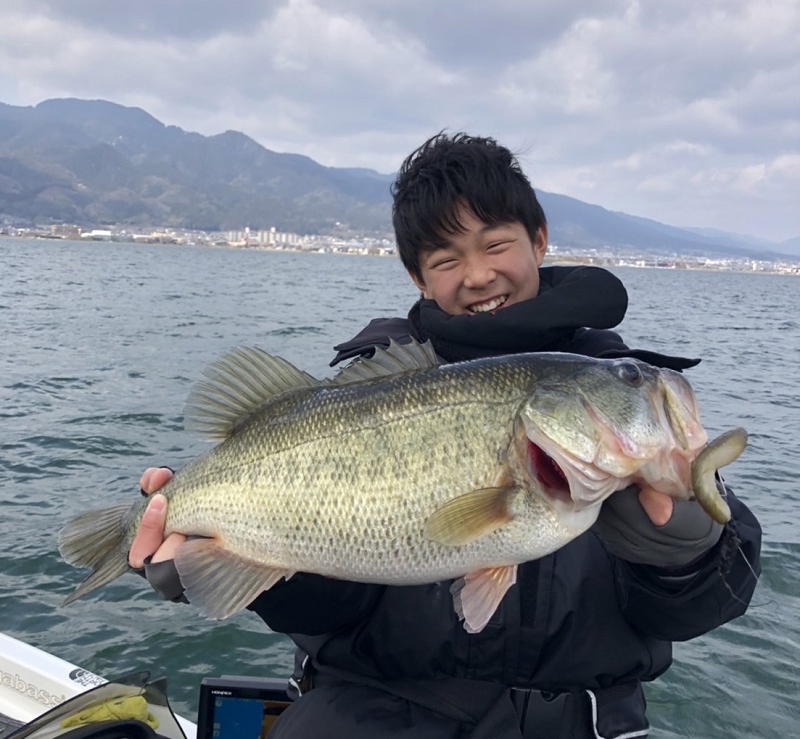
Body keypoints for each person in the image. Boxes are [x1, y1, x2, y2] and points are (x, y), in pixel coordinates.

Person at [129, 133, 762, 738]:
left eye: (496, 244)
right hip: (370, 719)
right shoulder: (365, 387)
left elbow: (704, 607)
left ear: (540, 240)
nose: (478, 274)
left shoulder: (619, 404)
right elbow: (332, 611)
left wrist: (683, 551)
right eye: (446, 258)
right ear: (418, 276)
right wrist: (242, 567)